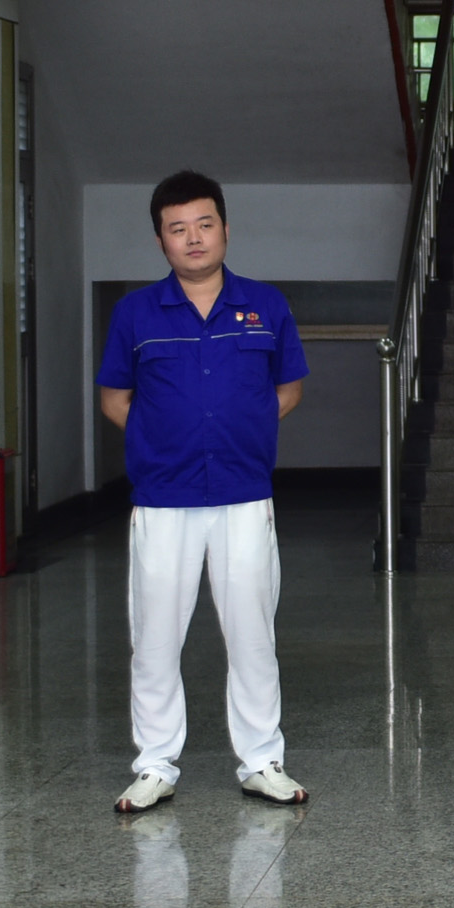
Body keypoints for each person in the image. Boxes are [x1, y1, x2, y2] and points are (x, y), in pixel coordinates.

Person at [95, 172, 307, 813]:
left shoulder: (265, 304)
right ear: (161, 240)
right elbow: (115, 399)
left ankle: (262, 760)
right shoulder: (135, 313)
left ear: (225, 229)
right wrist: (162, 440)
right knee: (156, 637)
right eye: (178, 228)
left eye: (204, 224)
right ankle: (155, 764)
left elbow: (289, 388)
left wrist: (243, 431)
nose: (193, 238)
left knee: (253, 633)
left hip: (244, 493)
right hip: (163, 498)